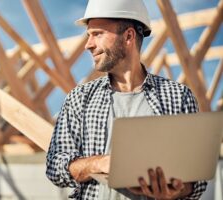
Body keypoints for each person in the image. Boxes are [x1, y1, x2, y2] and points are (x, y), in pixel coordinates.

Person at [46, 0, 207, 199]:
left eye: (97, 34)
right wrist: (99, 164)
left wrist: (176, 191)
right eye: (89, 35)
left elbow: (197, 181)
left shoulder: (178, 97)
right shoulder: (80, 99)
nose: (88, 45)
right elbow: (55, 166)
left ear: (128, 36)